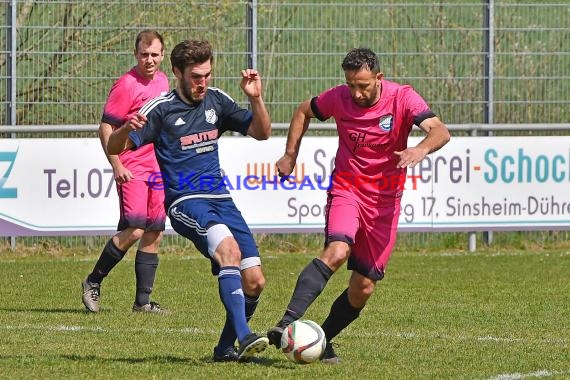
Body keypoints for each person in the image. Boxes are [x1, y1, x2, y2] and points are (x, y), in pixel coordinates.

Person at [268, 47, 451, 363]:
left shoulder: (403, 98)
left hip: (384, 203)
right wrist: (290, 154)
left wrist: (420, 150)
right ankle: (286, 321)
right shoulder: (338, 97)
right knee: (338, 250)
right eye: (351, 84)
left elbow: (440, 131)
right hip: (347, 190)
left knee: (363, 288)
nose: (356, 92)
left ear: (379, 78)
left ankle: (321, 340)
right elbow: (302, 111)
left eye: (363, 85)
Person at [106, 39, 271, 362]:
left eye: (207, 75)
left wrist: (256, 99)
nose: (203, 82)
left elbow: (262, 132)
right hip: (185, 201)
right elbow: (115, 147)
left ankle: (224, 349)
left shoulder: (216, 100)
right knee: (229, 251)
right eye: (196, 76)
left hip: (221, 199)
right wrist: (125, 128)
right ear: (177, 72)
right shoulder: (161, 108)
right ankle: (244, 336)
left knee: (255, 281)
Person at [82, 30, 169, 314]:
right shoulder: (126, 84)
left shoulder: (165, 82)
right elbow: (105, 128)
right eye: (144, 54)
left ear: (162, 55)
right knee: (134, 230)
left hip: (157, 167)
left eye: (154, 54)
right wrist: (116, 163)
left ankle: (142, 302)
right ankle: (93, 281)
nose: (149, 60)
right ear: (136, 55)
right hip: (132, 166)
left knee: (154, 230)